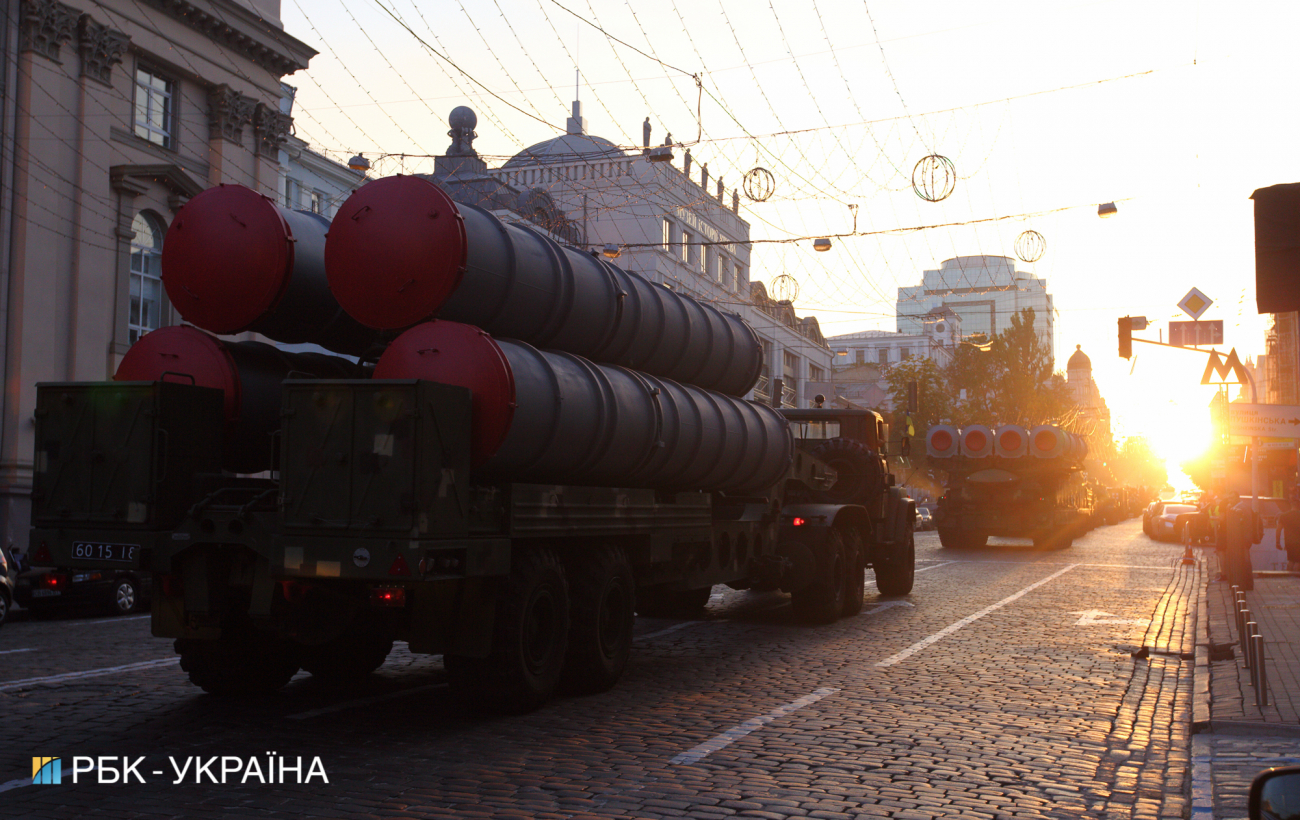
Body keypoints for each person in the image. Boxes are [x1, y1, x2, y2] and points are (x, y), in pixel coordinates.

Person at [1277, 494, 1300, 572]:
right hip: (1298, 542)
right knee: (1298, 562)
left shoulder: (1284, 516)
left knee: (1291, 560)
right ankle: (1295, 581)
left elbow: (1278, 530)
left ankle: (1288, 577)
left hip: (1289, 542)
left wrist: (1278, 542)